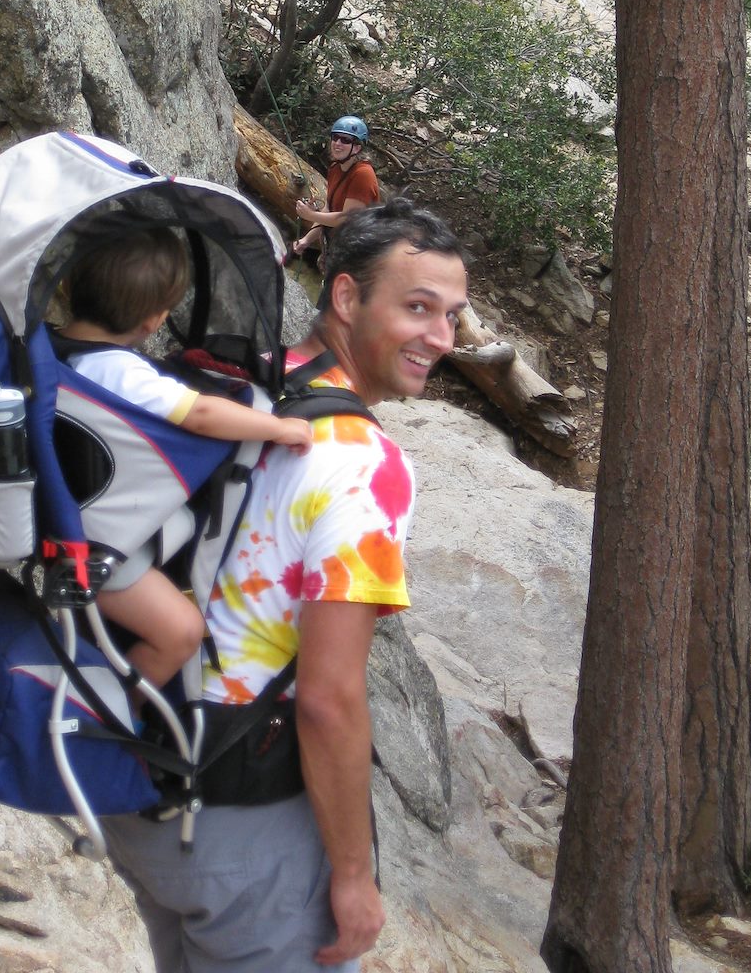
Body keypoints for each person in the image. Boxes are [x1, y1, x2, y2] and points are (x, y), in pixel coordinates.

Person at [103, 198, 469, 973]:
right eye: (418, 308)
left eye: (453, 315)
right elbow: (329, 699)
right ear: (345, 298)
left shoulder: (229, 388)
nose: (442, 337)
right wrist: (354, 874)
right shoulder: (365, 467)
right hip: (242, 826)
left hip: (136, 786)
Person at [62, 230, 313, 690]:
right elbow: (198, 413)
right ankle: (120, 716)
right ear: (156, 319)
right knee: (181, 631)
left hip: (50, 514)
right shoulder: (119, 371)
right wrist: (279, 428)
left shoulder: (50, 348)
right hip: (85, 549)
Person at [291, 116, 380, 264]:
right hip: (337, 245)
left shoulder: (363, 174)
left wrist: (311, 215)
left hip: (357, 252)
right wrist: (306, 240)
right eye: (335, 138)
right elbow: (329, 209)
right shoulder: (335, 168)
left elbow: (347, 218)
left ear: (357, 147)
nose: (338, 143)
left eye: (345, 140)